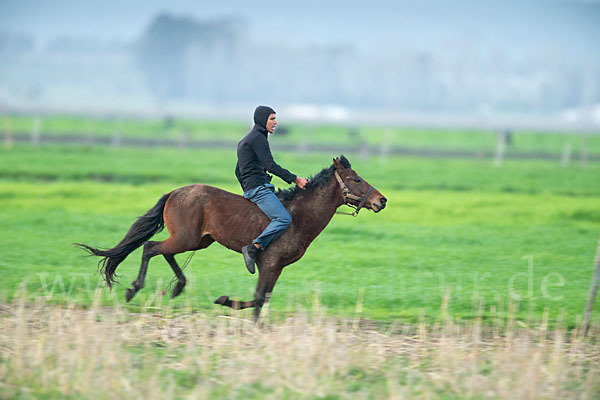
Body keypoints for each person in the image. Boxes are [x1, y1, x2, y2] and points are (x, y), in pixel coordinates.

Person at [235, 105, 308, 274]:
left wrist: (247, 188)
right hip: (258, 189)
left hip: (257, 187)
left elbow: (238, 171)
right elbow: (270, 165)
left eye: (275, 118)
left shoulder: (249, 139)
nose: (275, 122)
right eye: (272, 119)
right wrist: (295, 179)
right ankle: (254, 248)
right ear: (262, 120)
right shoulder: (258, 139)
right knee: (284, 219)